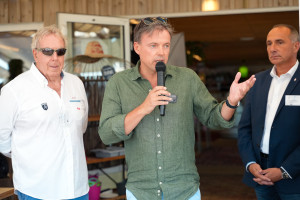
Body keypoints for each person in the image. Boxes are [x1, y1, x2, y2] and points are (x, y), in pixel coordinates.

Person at [99, 17, 256, 200]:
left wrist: (231, 101)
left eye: (166, 45)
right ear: (137, 47)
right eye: (153, 45)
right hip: (141, 191)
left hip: (184, 190)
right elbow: (107, 133)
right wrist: (144, 107)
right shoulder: (118, 83)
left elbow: (214, 118)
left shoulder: (187, 78)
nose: (161, 52)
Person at [0, 25, 89, 200]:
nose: (55, 58)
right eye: (48, 51)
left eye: (60, 51)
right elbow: (2, 140)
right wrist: (30, 152)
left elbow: (80, 127)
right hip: (37, 190)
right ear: (35, 54)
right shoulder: (14, 90)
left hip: (77, 188)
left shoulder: (76, 83)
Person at [238, 24, 300, 200]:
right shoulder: (257, 81)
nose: (273, 48)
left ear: (296, 46)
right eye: (269, 43)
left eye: (279, 42)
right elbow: (244, 129)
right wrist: (250, 163)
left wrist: (284, 171)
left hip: (295, 177)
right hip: (260, 173)